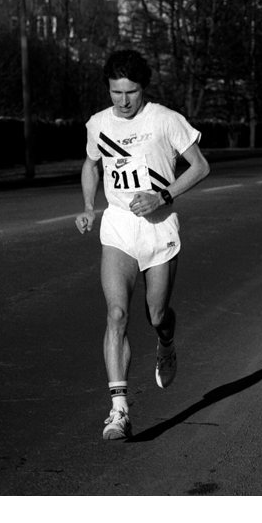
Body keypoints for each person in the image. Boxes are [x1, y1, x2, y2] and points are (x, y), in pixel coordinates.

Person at [74, 50, 211, 440]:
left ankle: (166, 340)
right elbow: (91, 163)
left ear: (143, 88)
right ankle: (118, 411)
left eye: (131, 92)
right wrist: (88, 206)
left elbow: (200, 166)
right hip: (118, 226)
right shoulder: (99, 124)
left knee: (156, 315)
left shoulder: (166, 120)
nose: (123, 100)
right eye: (116, 92)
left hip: (159, 228)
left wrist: (163, 196)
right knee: (116, 314)